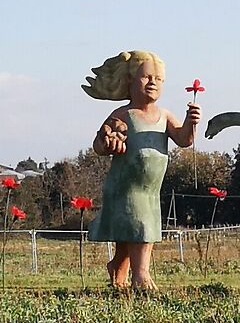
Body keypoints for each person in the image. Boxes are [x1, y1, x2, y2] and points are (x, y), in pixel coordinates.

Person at [83, 50, 201, 294]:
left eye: (159, 79)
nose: (153, 83)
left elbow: (183, 139)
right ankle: (141, 276)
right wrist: (109, 141)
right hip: (126, 185)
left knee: (132, 233)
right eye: (146, 77)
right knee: (141, 228)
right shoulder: (123, 115)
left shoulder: (164, 115)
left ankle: (118, 269)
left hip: (150, 188)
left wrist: (191, 122)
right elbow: (99, 145)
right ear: (129, 80)